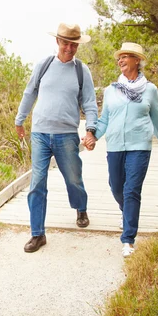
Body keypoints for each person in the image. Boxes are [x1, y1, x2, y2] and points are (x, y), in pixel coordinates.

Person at [15, 23, 99, 253]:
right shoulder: (44, 65)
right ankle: (37, 234)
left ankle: (80, 207)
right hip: (40, 133)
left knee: (73, 178)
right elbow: (30, 92)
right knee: (37, 183)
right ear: (58, 42)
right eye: (66, 43)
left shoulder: (81, 71)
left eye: (74, 45)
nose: (69, 48)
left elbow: (90, 104)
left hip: (66, 135)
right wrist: (19, 119)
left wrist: (91, 129)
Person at [87, 42, 158, 258]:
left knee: (132, 190)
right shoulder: (111, 90)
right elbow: (104, 119)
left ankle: (128, 239)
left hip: (140, 146)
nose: (120, 61)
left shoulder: (150, 89)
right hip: (114, 146)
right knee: (116, 187)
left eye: (125, 57)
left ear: (137, 60)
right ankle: (128, 215)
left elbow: (156, 119)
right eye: (119, 58)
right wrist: (93, 136)